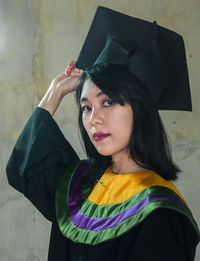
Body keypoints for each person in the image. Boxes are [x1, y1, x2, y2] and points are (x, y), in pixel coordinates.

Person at [6, 6, 200, 261]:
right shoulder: (82, 184)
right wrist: (55, 92)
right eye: (86, 107)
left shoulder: (160, 212)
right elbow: (24, 169)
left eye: (107, 102)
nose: (93, 119)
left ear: (140, 109)